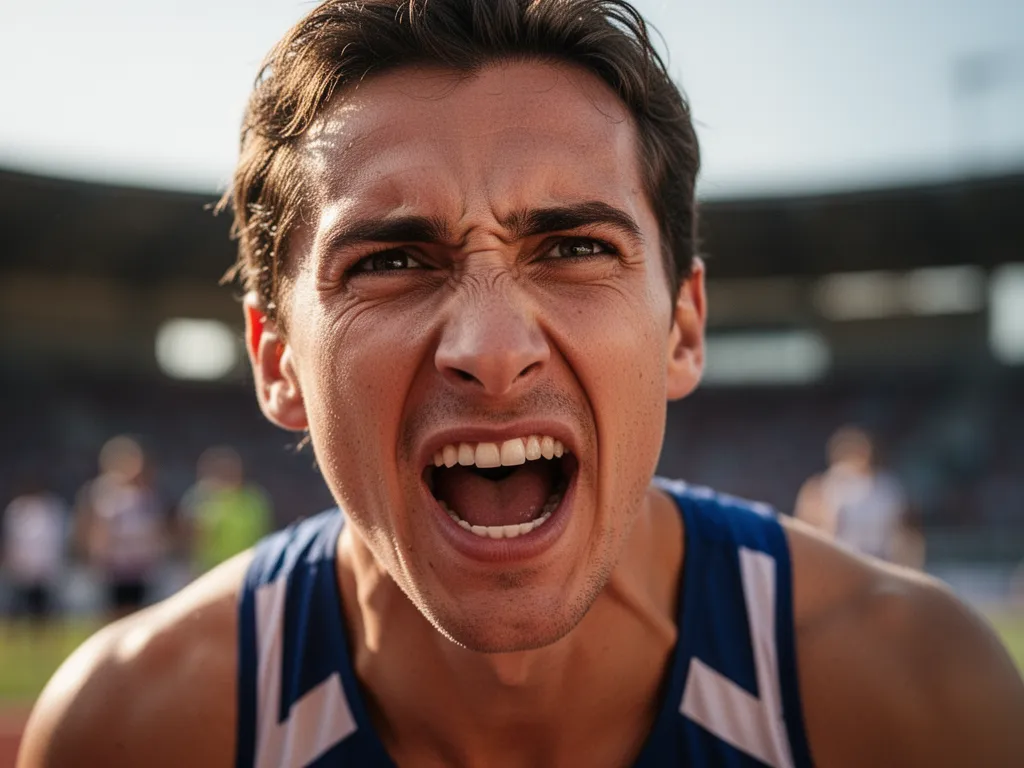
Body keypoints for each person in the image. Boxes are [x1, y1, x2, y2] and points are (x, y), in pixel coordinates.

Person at [19, 1, 1024, 766]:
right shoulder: (134, 729)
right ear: (277, 359)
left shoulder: (918, 697)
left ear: (682, 328)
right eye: (391, 261)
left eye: (575, 247)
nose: (493, 351)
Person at [795, 426, 925, 568]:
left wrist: (907, 565)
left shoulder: (888, 488)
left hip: (879, 561)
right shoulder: (821, 487)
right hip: (839, 560)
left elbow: (908, 534)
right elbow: (807, 530)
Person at [72, 436, 166, 620]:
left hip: (139, 563)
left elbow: (153, 528)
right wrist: (95, 554)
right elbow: (95, 527)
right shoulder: (104, 493)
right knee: (115, 611)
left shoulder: (145, 495)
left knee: (138, 612)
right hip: (114, 564)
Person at [180, 446, 273, 575]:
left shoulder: (253, 499)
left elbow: (264, 534)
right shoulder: (200, 499)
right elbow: (189, 538)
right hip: (210, 569)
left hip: (246, 567)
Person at [1, 474, 68, 629]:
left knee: (43, 609)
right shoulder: (17, 509)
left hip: (44, 570)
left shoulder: (51, 508)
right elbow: (13, 540)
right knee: (16, 608)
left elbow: (54, 540)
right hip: (22, 570)